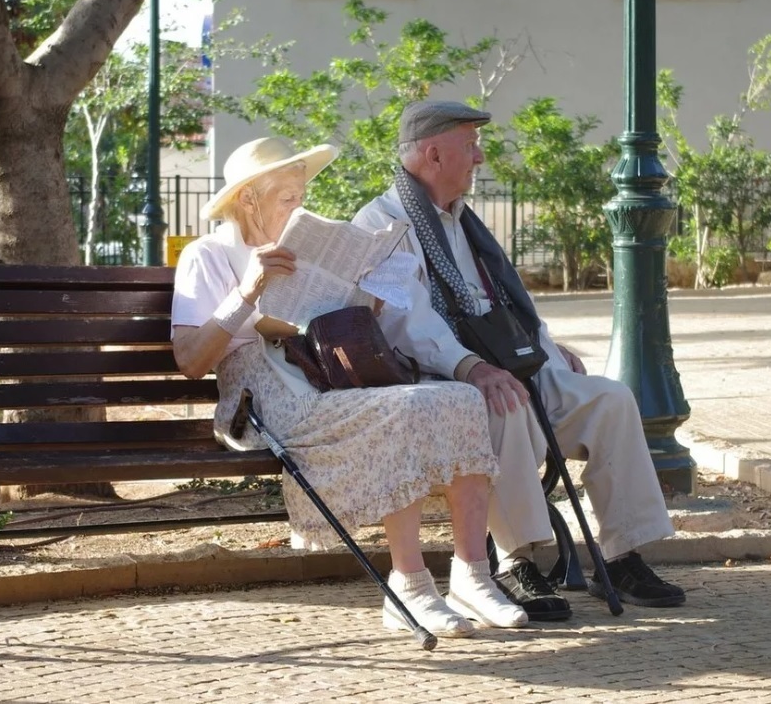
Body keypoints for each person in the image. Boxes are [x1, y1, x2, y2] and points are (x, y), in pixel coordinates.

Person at [170, 136, 530, 638]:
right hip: (261, 398)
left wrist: (365, 298)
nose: (299, 207)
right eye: (288, 198)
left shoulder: (301, 248)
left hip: (324, 377)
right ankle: (409, 586)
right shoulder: (207, 254)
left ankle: (472, 575)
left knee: (461, 397)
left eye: (301, 196)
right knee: (401, 410)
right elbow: (190, 360)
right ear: (248, 198)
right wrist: (247, 292)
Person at [352, 100, 687, 619]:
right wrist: (472, 367)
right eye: (470, 146)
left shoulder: (463, 221)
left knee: (611, 400)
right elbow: (407, 322)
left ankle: (623, 556)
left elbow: (505, 303)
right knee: (505, 405)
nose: (480, 157)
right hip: (446, 379)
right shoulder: (381, 223)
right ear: (433, 155)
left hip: (505, 365)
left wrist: (547, 351)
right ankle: (517, 560)